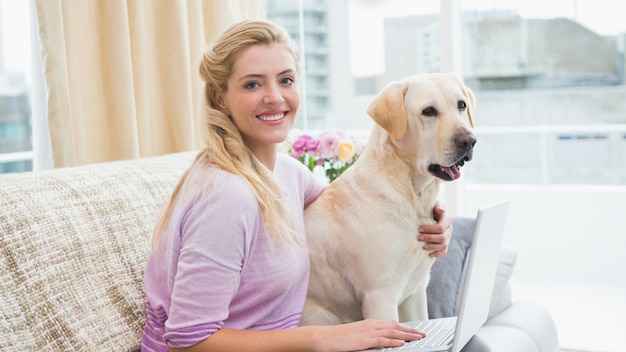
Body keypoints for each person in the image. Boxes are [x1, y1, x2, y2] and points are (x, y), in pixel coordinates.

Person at [141, 19, 453, 352]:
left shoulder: (287, 173)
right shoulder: (226, 196)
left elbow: (360, 219)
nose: (274, 98)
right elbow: (189, 340)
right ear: (221, 99)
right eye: (252, 85)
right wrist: (322, 337)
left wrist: (434, 224)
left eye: (286, 80)